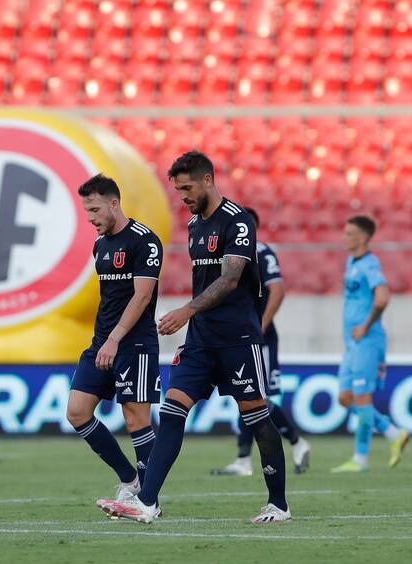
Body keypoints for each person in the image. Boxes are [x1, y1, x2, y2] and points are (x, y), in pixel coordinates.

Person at [97, 151, 291, 524]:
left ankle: (279, 504)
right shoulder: (194, 225)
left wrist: (186, 310)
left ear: (207, 180)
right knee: (172, 412)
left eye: (187, 188)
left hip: (237, 338)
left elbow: (230, 280)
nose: (182, 196)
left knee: (257, 418)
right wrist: (192, 318)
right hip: (200, 340)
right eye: (178, 190)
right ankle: (148, 502)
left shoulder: (237, 221)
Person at [67, 173, 163, 503]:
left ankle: (148, 500)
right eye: (87, 211)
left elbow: (142, 296)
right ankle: (130, 478)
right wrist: (105, 340)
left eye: (94, 210)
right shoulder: (101, 246)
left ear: (114, 203)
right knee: (77, 412)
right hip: (102, 342)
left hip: (134, 343)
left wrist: (115, 339)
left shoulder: (145, 241)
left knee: (136, 418)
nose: (90, 218)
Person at [211, 207, 311, 476]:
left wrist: (261, 327)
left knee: (256, 397)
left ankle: (294, 443)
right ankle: (246, 458)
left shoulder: (261, 252)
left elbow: (278, 290)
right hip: (235, 337)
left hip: (257, 338)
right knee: (245, 395)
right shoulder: (227, 254)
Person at [331, 215, 410, 472]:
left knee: (362, 398)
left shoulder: (370, 264)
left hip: (367, 341)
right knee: (344, 398)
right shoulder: (351, 262)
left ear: (363, 237)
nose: (344, 238)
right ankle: (393, 433)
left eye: (349, 233)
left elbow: (382, 297)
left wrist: (365, 326)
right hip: (352, 344)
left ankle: (360, 459)